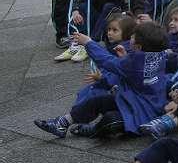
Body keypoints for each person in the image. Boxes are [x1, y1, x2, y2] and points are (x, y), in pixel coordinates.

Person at [35, 22, 168, 138]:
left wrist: (88, 43)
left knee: (111, 121)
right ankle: (62, 123)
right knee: (98, 101)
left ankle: (93, 130)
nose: (130, 39)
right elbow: (136, 71)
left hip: (142, 111)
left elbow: (107, 61)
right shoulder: (159, 55)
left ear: (138, 47)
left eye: (133, 37)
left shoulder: (133, 62)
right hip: (136, 101)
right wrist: (125, 58)